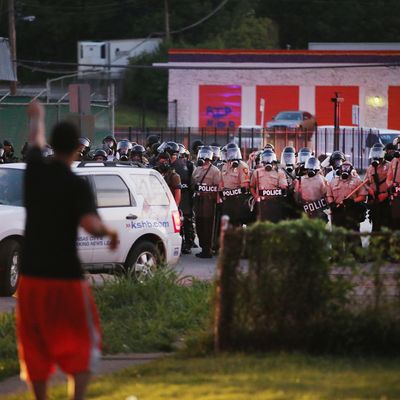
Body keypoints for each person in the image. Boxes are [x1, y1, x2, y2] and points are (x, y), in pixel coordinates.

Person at [18, 101, 118, 400]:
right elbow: (89, 224)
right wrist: (109, 231)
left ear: (52, 143)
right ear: (77, 148)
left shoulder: (33, 171)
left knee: (33, 341)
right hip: (66, 277)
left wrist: (37, 115)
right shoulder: (77, 185)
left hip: (31, 276)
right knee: (82, 339)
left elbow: (35, 140)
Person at [192, 146, 221, 258]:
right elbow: (192, 184)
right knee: (199, 225)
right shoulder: (197, 169)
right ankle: (203, 247)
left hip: (209, 202)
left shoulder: (215, 171)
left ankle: (207, 249)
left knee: (208, 225)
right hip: (198, 201)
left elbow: (218, 188)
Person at [327, 161, 367, 232]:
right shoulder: (333, 181)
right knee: (337, 238)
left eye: (348, 167)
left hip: (352, 212)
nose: (345, 169)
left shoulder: (357, 181)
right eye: (343, 167)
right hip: (337, 212)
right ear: (340, 169)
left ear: (351, 169)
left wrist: (353, 201)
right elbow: (329, 195)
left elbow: (363, 196)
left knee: (353, 239)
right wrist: (331, 203)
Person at [250, 148, 288, 222]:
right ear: (262, 160)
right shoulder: (256, 172)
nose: (268, 161)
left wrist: (278, 190)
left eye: (270, 158)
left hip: (274, 202)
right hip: (261, 203)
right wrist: (256, 196)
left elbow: (284, 188)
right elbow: (251, 187)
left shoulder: (279, 172)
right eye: (266, 158)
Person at [219, 143, 250, 226]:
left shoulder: (243, 166)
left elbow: (245, 186)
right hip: (226, 200)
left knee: (237, 224)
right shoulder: (225, 166)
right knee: (226, 224)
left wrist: (233, 192)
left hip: (238, 200)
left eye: (226, 153)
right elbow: (221, 183)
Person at [294, 156, 329, 221]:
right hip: (306, 209)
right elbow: (296, 196)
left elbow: (327, 195)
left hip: (318, 209)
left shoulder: (322, 179)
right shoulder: (300, 180)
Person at [365, 144, 390, 231]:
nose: (376, 155)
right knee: (375, 222)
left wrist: (386, 194)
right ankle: (374, 243)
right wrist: (369, 190)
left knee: (385, 223)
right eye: (375, 152)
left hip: (386, 199)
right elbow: (365, 183)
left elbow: (394, 182)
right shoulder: (370, 168)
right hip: (374, 199)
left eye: (378, 152)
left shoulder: (389, 166)